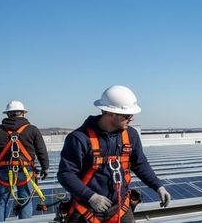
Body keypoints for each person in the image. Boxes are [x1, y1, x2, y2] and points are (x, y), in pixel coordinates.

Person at [58, 85, 171, 223]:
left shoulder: (130, 135)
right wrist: (91, 197)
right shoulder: (80, 138)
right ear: (110, 113)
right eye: (128, 115)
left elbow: (140, 163)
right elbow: (66, 174)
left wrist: (158, 186)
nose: (132, 119)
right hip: (87, 210)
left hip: (120, 209)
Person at [0, 101, 49, 222]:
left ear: (8, 115)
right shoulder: (32, 129)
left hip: (4, 171)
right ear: (23, 114)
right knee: (25, 200)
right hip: (25, 171)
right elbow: (41, 150)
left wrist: (0, 164)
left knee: (0, 201)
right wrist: (45, 168)